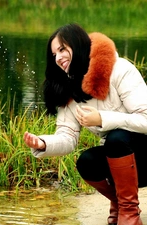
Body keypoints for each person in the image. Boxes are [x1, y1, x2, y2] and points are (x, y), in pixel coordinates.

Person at [23, 23, 147, 225]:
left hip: (143, 153)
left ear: (78, 44)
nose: (58, 58)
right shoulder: (69, 89)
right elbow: (68, 136)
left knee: (116, 139)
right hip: (124, 162)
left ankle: (129, 214)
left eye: (62, 49)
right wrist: (43, 143)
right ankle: (120, 204)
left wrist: (102, 119)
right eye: (54, 54)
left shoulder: (119, 69)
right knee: (87, 161)